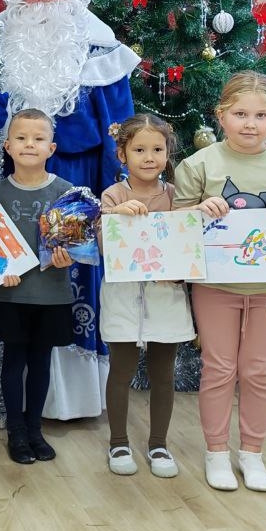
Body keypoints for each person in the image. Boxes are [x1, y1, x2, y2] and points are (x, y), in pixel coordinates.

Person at [0, 0, 138, 421]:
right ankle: (10, 394)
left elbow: (119, 127)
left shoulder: (99, 44)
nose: (44, 1)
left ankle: (68, 398)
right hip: (13, 186)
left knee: (71, 282)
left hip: (77, 184)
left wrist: (114, 192)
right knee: (14, 284)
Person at [173, 71, 266, 492]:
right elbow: (177, 225)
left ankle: (252, 453)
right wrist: (199, 209)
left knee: (259, 370)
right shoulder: (198, 165)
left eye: (261, 115)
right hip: (215, 287)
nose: (251, 124)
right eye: (240, 114)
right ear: (220, 115)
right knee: (219, 368)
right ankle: (216, 452)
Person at [98, 114, 196, 478]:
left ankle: (159, 444)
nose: (149, 157)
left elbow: (187, 243)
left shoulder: (175, 196)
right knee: (121, 371)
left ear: (168, 153)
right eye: (139, 150)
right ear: (122, 154)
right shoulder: (114, 195)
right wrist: (115, 214)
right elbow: (103, 243)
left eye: (157, 149)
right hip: (123, 298)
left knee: (163, 374)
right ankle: (118, 442)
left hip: (166, 298)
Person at [0, 109, 76, 464]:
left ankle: (35, 429)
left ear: (51, 148)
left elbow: (77, 243)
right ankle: (16, 432)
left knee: (41, 363)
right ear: (7, 146)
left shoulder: (66, 193)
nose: (29, 144)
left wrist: (67, 257)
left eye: (38, 139)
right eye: (21, 138)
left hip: (52, 295)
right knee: (14, 361)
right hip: (13, 294)